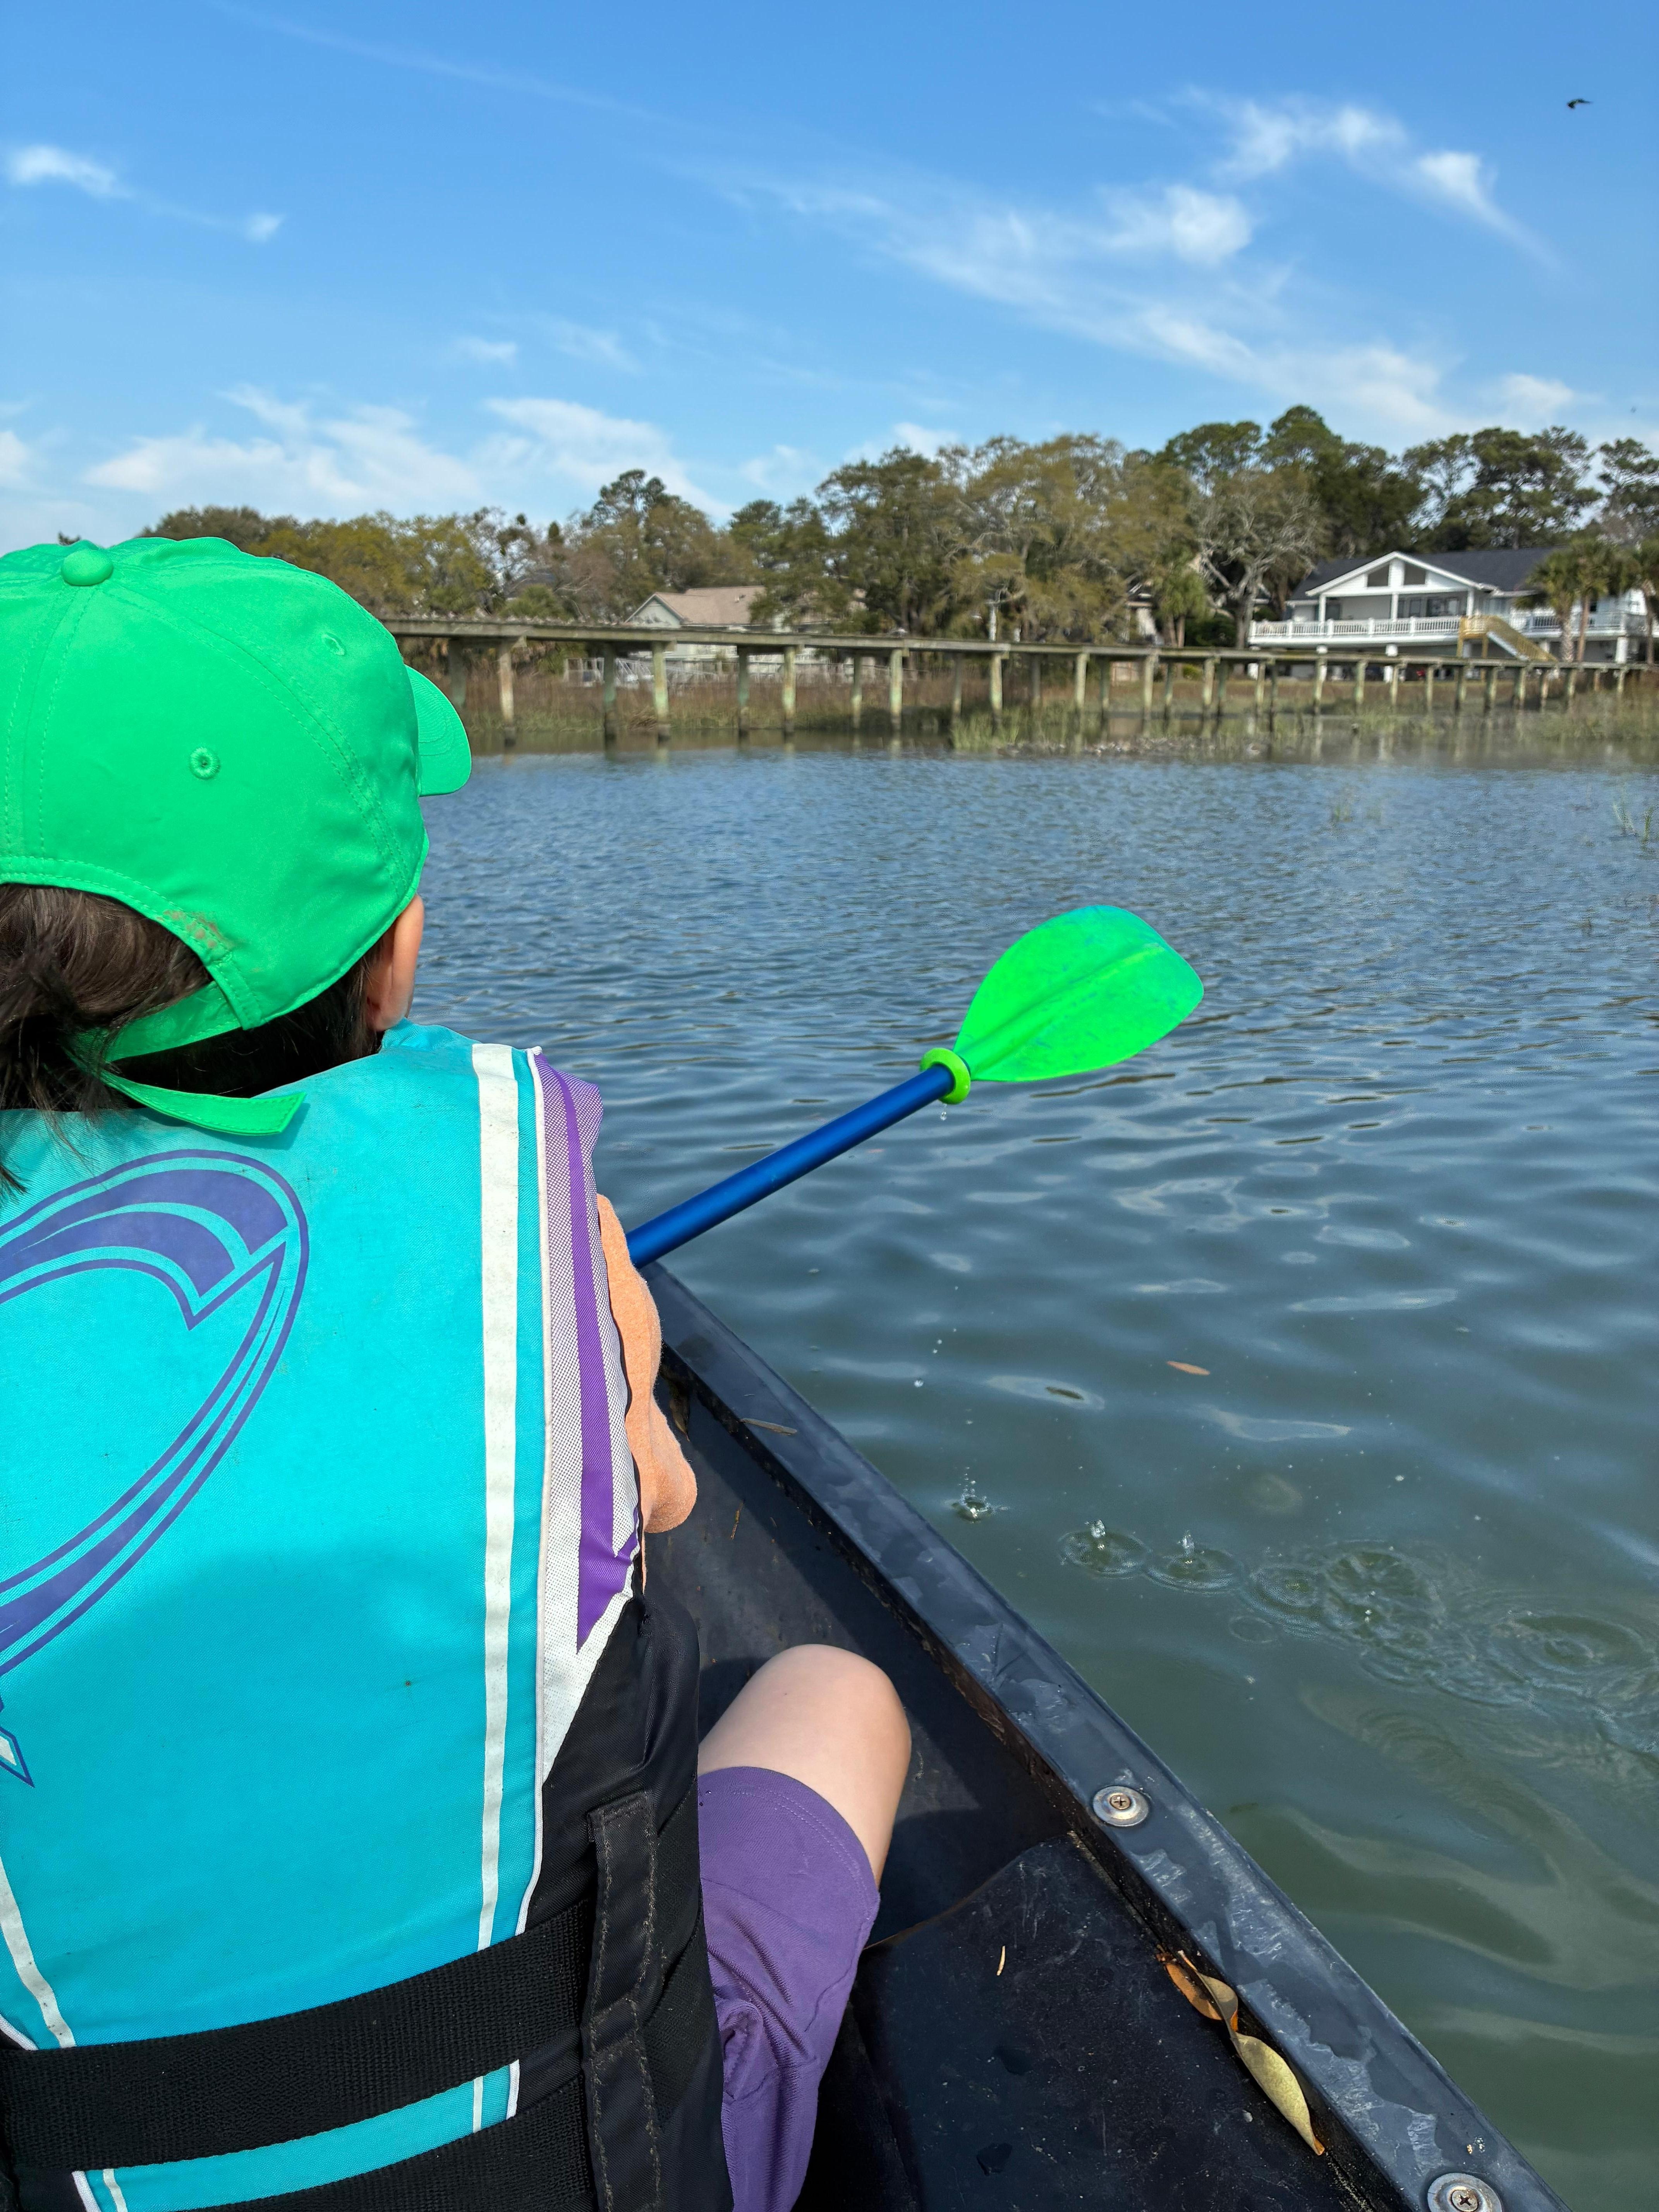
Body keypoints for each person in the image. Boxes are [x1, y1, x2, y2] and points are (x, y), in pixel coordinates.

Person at [0, 535, 909, 2212]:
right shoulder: (533, 1225)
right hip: (581, 2164)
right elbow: (666, 1497)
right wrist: (597, 1309)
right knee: (835, 1695)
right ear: (399, 947)